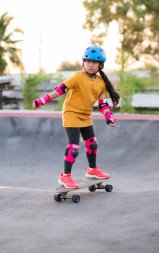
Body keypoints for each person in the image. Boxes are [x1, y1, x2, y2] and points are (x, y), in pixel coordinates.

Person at [33, 45, 120, 189]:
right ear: (83, 62)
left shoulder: (101, 83)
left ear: (100, 65)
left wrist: (109, 116)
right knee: (74, 148)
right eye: (88, 61)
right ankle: (65, 176)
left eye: (94, 62)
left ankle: (92, 170)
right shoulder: (77, 77)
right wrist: (42, 100)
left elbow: (103, 104)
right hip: (71, 114)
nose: (91, 65)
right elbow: (59, 90)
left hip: (85, 116)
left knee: (92, 144)